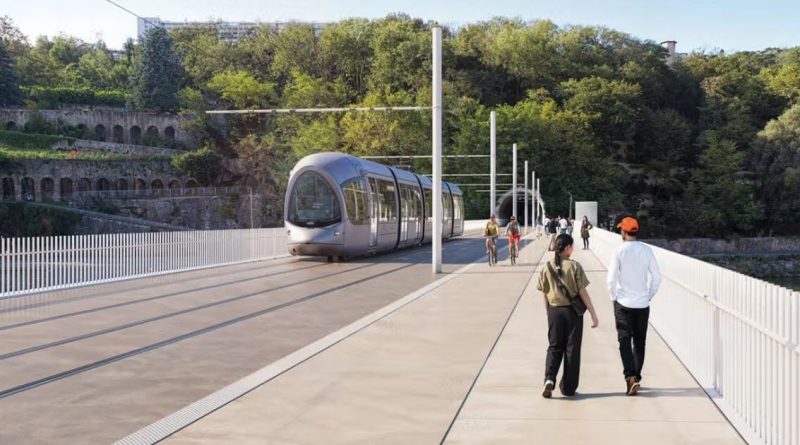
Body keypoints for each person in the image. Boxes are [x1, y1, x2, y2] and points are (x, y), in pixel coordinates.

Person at [538, 234, 599, 398]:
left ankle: (549, 379)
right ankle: (568, 387)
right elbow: (583, 292)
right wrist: (593, 313)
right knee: (572, 349)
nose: (572, 249)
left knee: (554, 346)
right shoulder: (574, 266)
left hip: (554, 311)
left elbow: (544, 293)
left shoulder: (546, 267)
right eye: (571, 246)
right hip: (572, 313)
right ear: (567, 248)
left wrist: (548, 312)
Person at [607, 216, 662, 396]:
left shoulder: (619, 251)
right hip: (642, 303)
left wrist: (613, 297)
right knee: (639, 342)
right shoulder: (647, 251)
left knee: (624, 340)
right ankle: (636, 377)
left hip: (623, 303)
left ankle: (629, 376)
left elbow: (611, 279)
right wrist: (649, 295)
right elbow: (657, 277)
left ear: (623, 232)